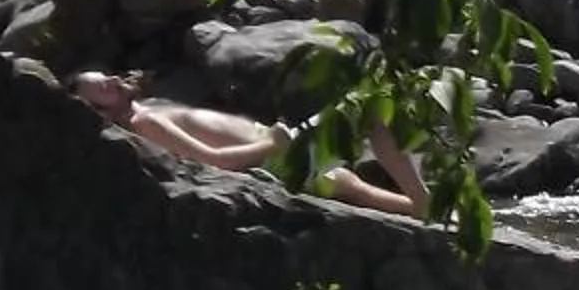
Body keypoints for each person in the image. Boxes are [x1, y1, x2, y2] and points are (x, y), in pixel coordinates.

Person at [70, 70, 428, 219]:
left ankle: (435, 213)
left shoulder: (147, 109)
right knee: (375, 108)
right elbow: (215, 160)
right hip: (278, 156)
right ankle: (429, 205)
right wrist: (271, 144)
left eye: (107, 77)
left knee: (357, 190)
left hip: (278, 150)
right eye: (104, 88)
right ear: (102, 112)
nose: (114, 80)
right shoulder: (143, 122)